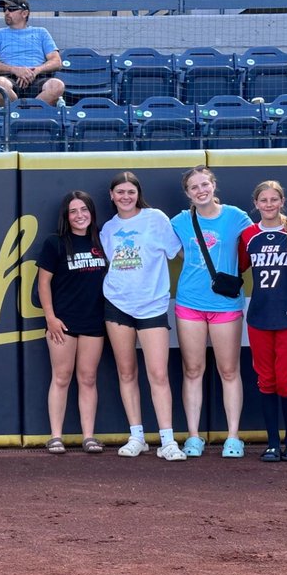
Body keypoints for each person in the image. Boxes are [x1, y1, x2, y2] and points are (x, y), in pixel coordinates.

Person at [99, 171, 186, 461]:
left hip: (153, 306)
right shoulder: (108, 229)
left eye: (130, 192)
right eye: (120, 192)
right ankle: (137, 436)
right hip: (117, 305)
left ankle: (168, 440)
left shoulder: (156, 219)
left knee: (158, 374)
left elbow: (180, 253)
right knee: (126, 372)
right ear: (112, 195)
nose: (126, 197)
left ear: (138, 194)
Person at [169, 166, 253, 459]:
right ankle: (193, 436)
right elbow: (176, 251)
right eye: (194, 187)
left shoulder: (236, 217)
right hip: (190, 303)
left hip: (226, 304)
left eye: (205, 184)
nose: (200, 190)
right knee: (192, 370)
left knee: (229, 371)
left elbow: (260, 242)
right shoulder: (179, 221)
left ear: (214, 185)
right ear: (187, 193)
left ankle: (233, 436)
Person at [238, 182, 287, 463]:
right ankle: (271, 443)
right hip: (259, 316)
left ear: (282, 201)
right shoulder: (248, 235)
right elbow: (238, 267)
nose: (268, 204)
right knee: (266, 380)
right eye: (263, 200)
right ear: (255, 203)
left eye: (274, 199)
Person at [37, 190, 108, 454]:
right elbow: (43, 283)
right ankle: (56, 436)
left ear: (92, 212)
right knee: (61, 377)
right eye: (73, 211)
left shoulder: (103, 240)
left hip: (94, 321)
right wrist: (51, 318)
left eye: (84, 210)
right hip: (62, 323)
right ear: (66, 216)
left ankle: (88, 436)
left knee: (88, 378)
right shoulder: (54, 243)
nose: (80, 216)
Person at [0, 0, 65, 107]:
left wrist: (35, 71)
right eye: (5, 9)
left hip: (38, 78)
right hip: (9, 78)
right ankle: (19, 111)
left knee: (57, 85)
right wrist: (15, 70)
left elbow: (56, 61)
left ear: (24, 13)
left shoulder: (41, 32)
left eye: (11, 9)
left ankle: (27, 112)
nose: (6, 12)